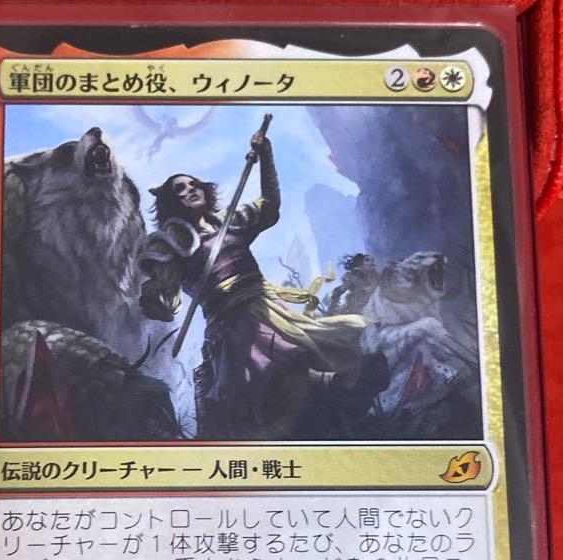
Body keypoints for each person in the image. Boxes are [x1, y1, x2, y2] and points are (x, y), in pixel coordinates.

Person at [138, 130, 385, 439]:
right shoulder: (172, 243)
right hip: (230, 326)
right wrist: (153, 295)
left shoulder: (231, 223)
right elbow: (159, 294)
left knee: (336, 342)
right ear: (171, 202)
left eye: (193, 184)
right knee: (244, 397)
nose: (190, 190)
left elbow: (269, 205)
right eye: (180, 190)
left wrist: (265, 155)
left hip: (270, 312)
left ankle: (341, 401)